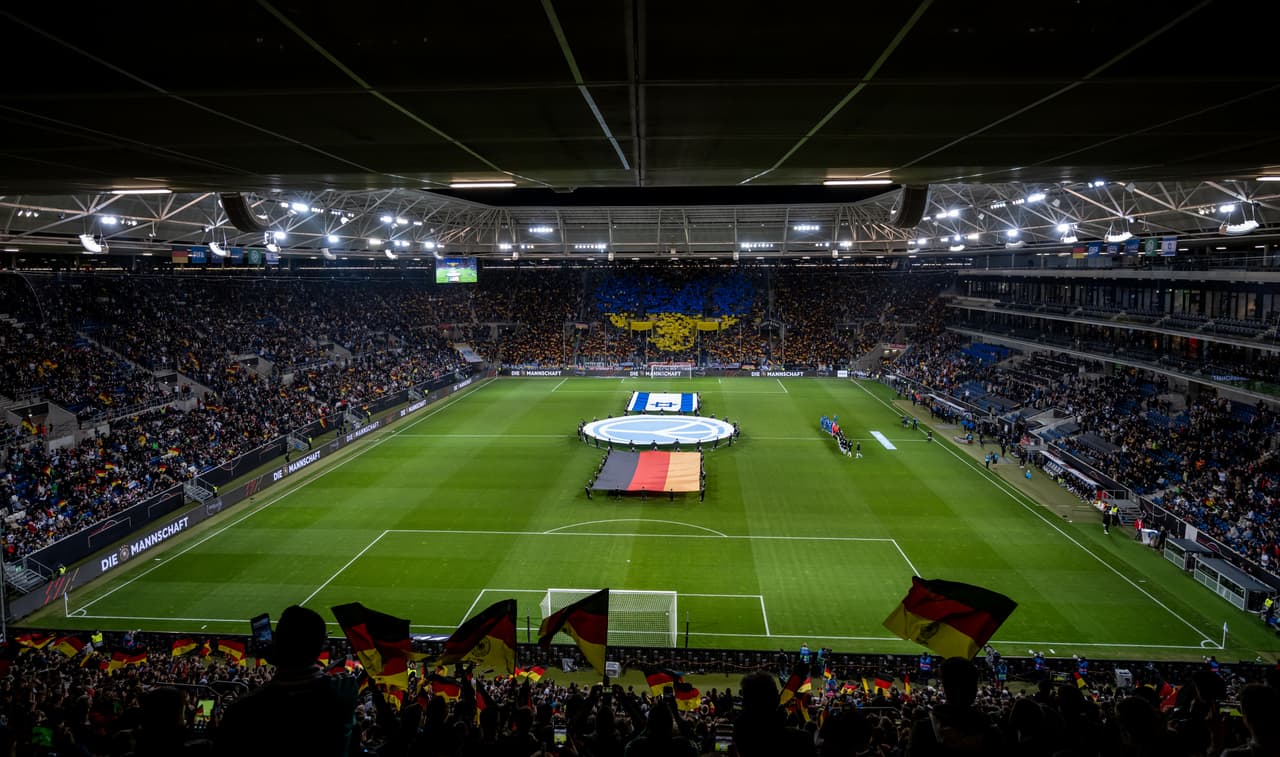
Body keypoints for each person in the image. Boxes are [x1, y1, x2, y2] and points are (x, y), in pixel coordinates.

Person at [215, 605, 359, 757]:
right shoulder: (342, 695)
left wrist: (278, 659)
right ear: (321, 647)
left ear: (276, 643)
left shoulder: (241, 712)